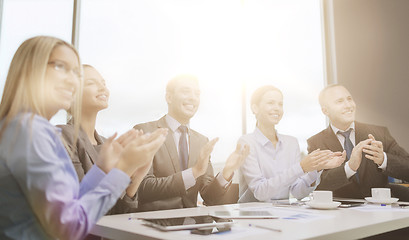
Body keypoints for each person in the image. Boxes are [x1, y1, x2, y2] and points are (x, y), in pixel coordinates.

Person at [0, 36, 167, 240]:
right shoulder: (29, 132)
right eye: (61, 67)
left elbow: (69, 205)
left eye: (75, 73)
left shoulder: (30, 129)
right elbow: (68, 226)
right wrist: (123, 169)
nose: (72, 80)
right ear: (30, 70)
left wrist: (102, 170)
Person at [134, 74, 250, 211]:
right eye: (186, 91)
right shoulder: (145, 132)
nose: (193, 98)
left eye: (197, 93)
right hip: (153, 224)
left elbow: (209, 197)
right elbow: (142, 188)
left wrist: (227, 171)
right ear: (169, 97)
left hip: (193, 225)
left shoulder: (201, 141)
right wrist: (194, 172)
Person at [59, 65, 144, 214]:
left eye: (103, 83)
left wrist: (136, 177)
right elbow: (78, 206)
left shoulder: (107, 144)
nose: (102, 88)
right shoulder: (63, 135)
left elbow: (119, 212)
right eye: (91, 83)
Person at [238, 85, 345, 202]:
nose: (277, 108)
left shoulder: (291, 143)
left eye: (280, 104)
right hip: (251, 215)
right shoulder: (246, 143)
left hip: (282, 213)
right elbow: (260, 192)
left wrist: (316, 169)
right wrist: (301, 167)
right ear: (255, 108)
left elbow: (297, 192)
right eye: (270, 103)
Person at [307, 84, 409, 200]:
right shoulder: (316, 142)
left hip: (380, 210)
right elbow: (319, 186)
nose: (348, 105)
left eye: (349, 99)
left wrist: (383, 159)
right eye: (339, 101)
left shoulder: (380, 133)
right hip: (341, 213)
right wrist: (349, 167)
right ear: (325, 111)